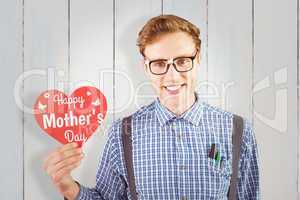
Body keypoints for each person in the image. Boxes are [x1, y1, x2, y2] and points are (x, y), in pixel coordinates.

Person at [43, 14, 260, 200]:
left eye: (183, 61)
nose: (172, 76)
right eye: (159, 64)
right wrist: (69, 188)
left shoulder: (238, 130)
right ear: (146, 67)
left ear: (198, 58)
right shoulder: (122, 134)